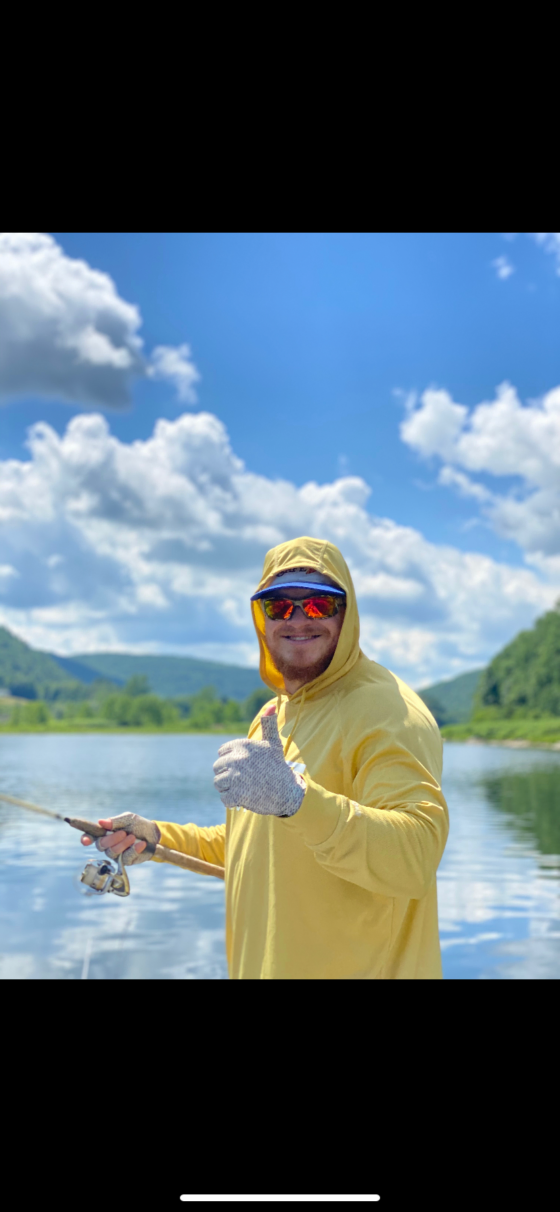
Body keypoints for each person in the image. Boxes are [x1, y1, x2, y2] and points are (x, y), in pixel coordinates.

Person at [81, 536, 449, 979]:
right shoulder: (273, 715)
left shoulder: (388, 711)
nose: (298, 619)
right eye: (279, 606)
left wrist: (297, 800)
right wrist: (159, 838)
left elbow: (413, 858)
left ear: (346, 613)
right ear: (262, 617)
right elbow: (258, 846)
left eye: (318, 605)